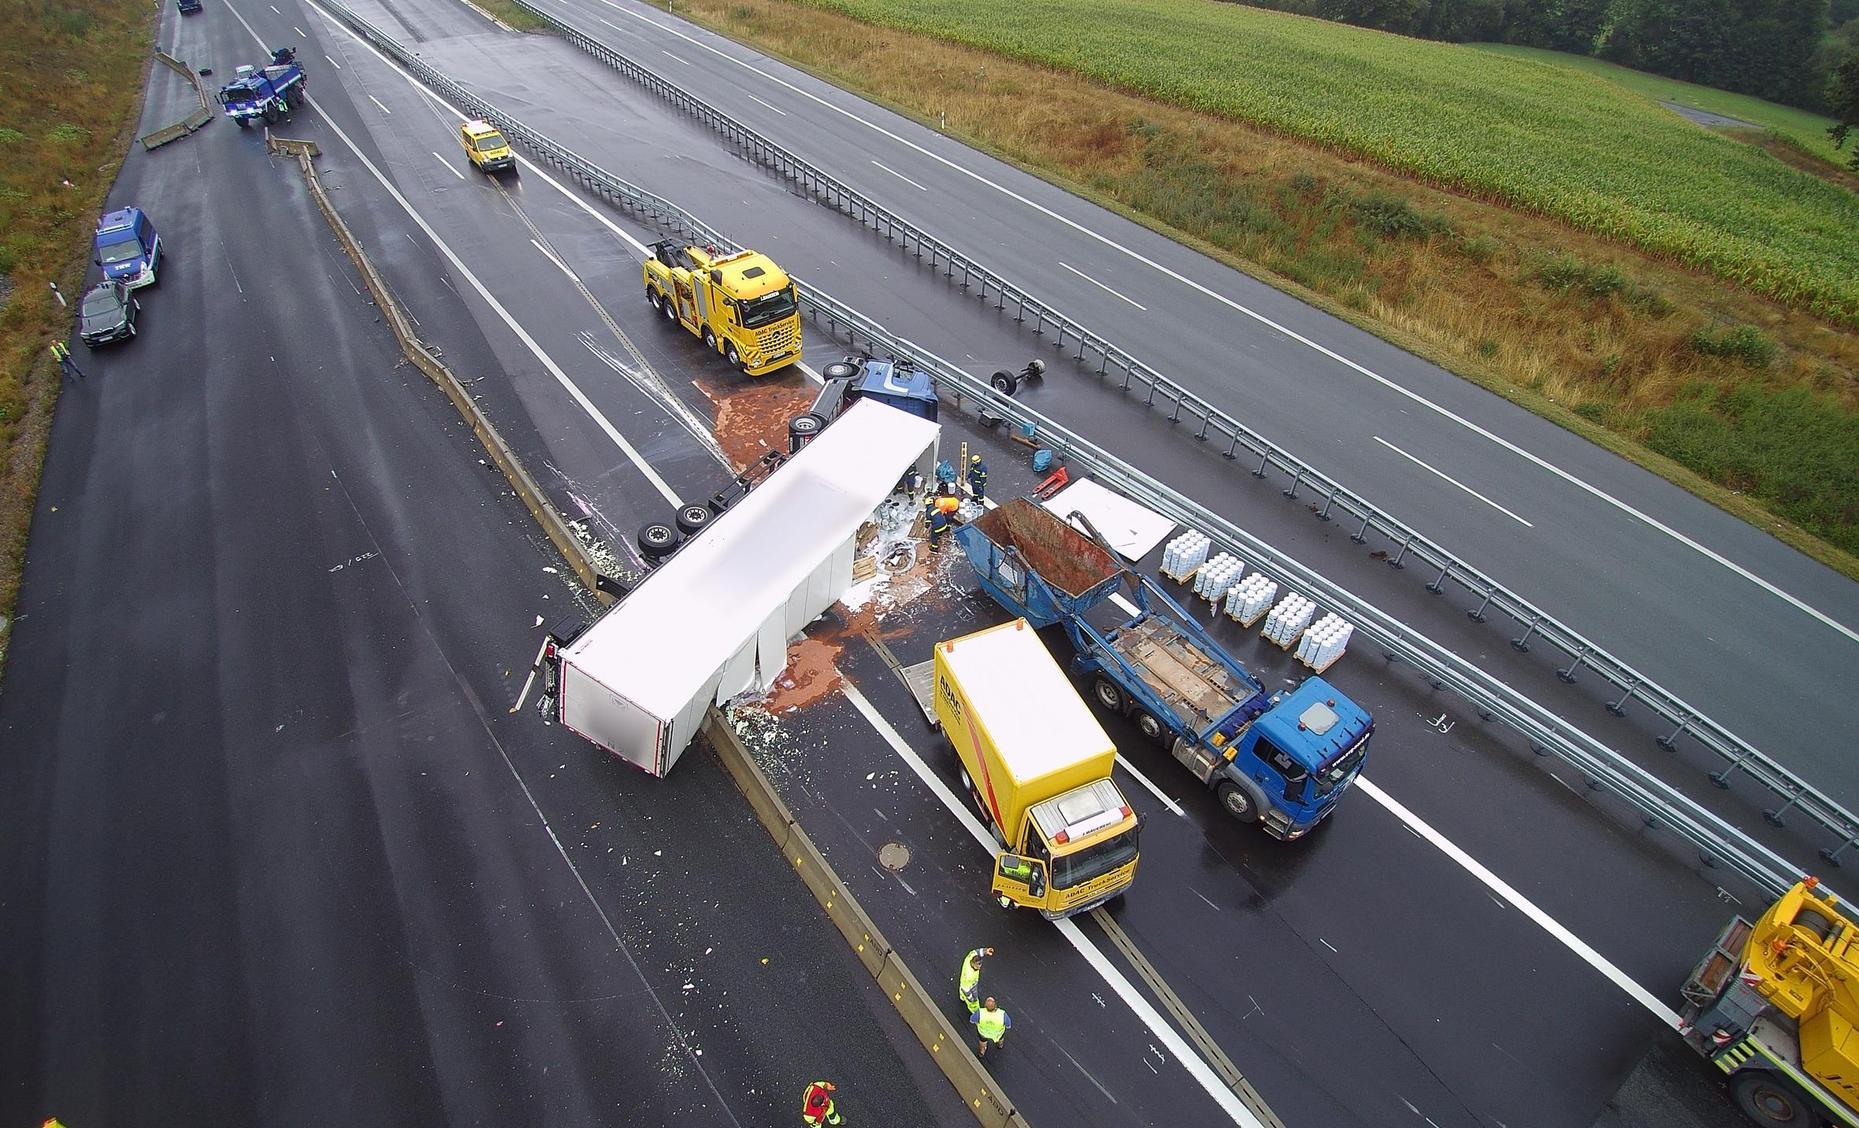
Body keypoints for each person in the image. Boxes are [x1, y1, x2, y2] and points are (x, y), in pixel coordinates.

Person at [957, 946, 994, 1016]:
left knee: (962, 990)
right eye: (978, 965)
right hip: (970, 985)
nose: (979, 967)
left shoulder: (970, 957)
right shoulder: (969, 976)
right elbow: (966, 989)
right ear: (973, 964)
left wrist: (986, 951)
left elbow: (976, 952)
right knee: (974, 1001)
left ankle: (962, 997)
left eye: (980, 964)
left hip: (963, 983)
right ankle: (976, 1011)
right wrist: (971, 999)